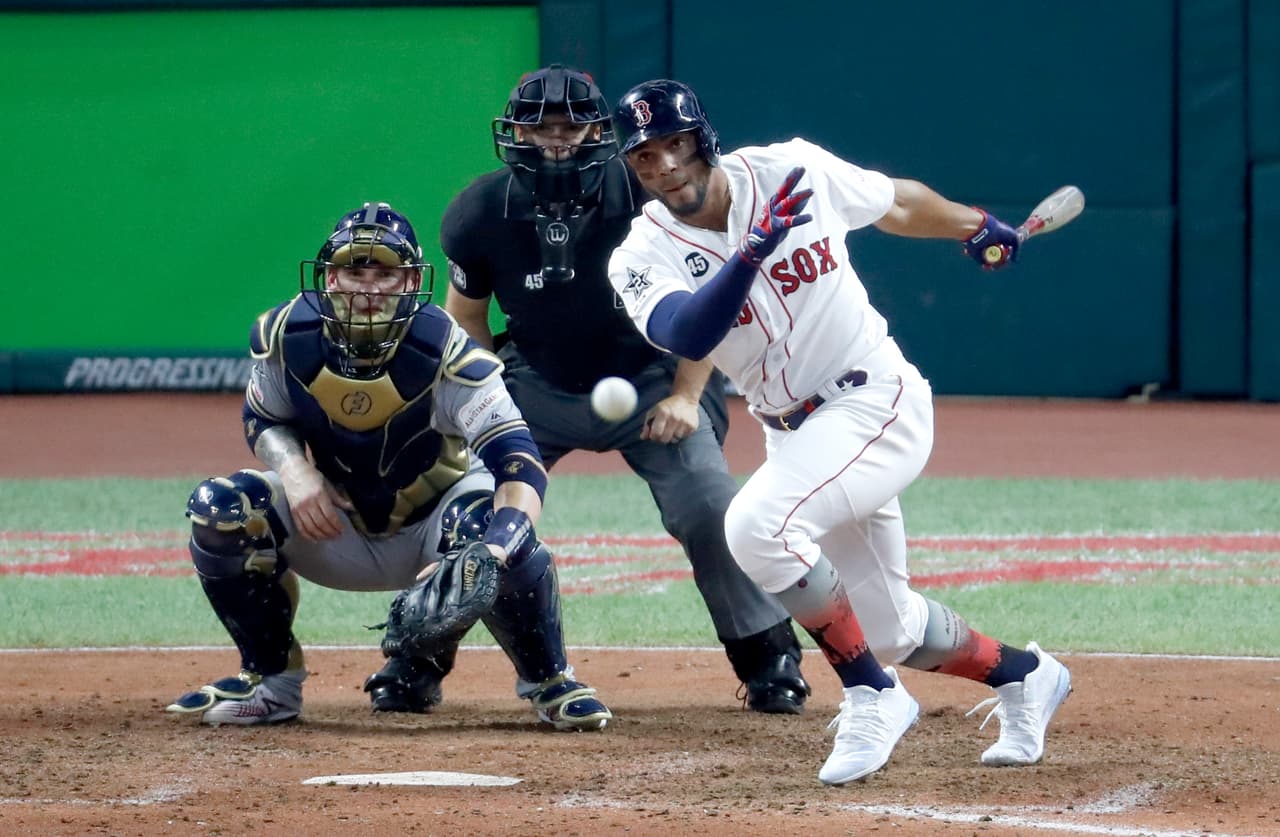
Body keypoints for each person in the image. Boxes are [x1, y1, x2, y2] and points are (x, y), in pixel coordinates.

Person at [607, 79, 1072, 784]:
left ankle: (871, 694)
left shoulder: (793, 172)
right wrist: (748, 256)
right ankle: (1026, 674)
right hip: (794, 432)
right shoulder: (640, 255)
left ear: (703, 138)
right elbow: (687, 329)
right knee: (891, 629)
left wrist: (973, 224)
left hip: (874, 399)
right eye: (645, 156)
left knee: (755, 526)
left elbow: (897, 202)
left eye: (675, 144)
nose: (665, 164)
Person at [440, 65, 810, 713]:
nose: (556, 141)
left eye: (572, 126)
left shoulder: (650, 199)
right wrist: (482, 401)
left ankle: (767, 655)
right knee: (469, 504)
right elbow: (467, 318)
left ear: (598, 132)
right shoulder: (478, 210)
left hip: (653, 380)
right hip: (536, 382)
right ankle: (417, 655)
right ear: (516, 131)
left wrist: (687, 397)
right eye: (540, 127)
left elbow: (708, 306)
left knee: (707, 502)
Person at [165, 201, 611, 732]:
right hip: (333, 527)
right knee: (222, 508)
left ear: (409, 283)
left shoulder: (448, 353)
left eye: (387, 274)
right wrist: (296, 472)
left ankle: (551, 681)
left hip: (439, 535)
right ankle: (271, 683)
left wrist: (496, 546)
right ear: (330, 277)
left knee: (494, 531)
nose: (370, 287)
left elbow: (517, 460)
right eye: (356, 270)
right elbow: (262, 420)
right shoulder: (286, 336)